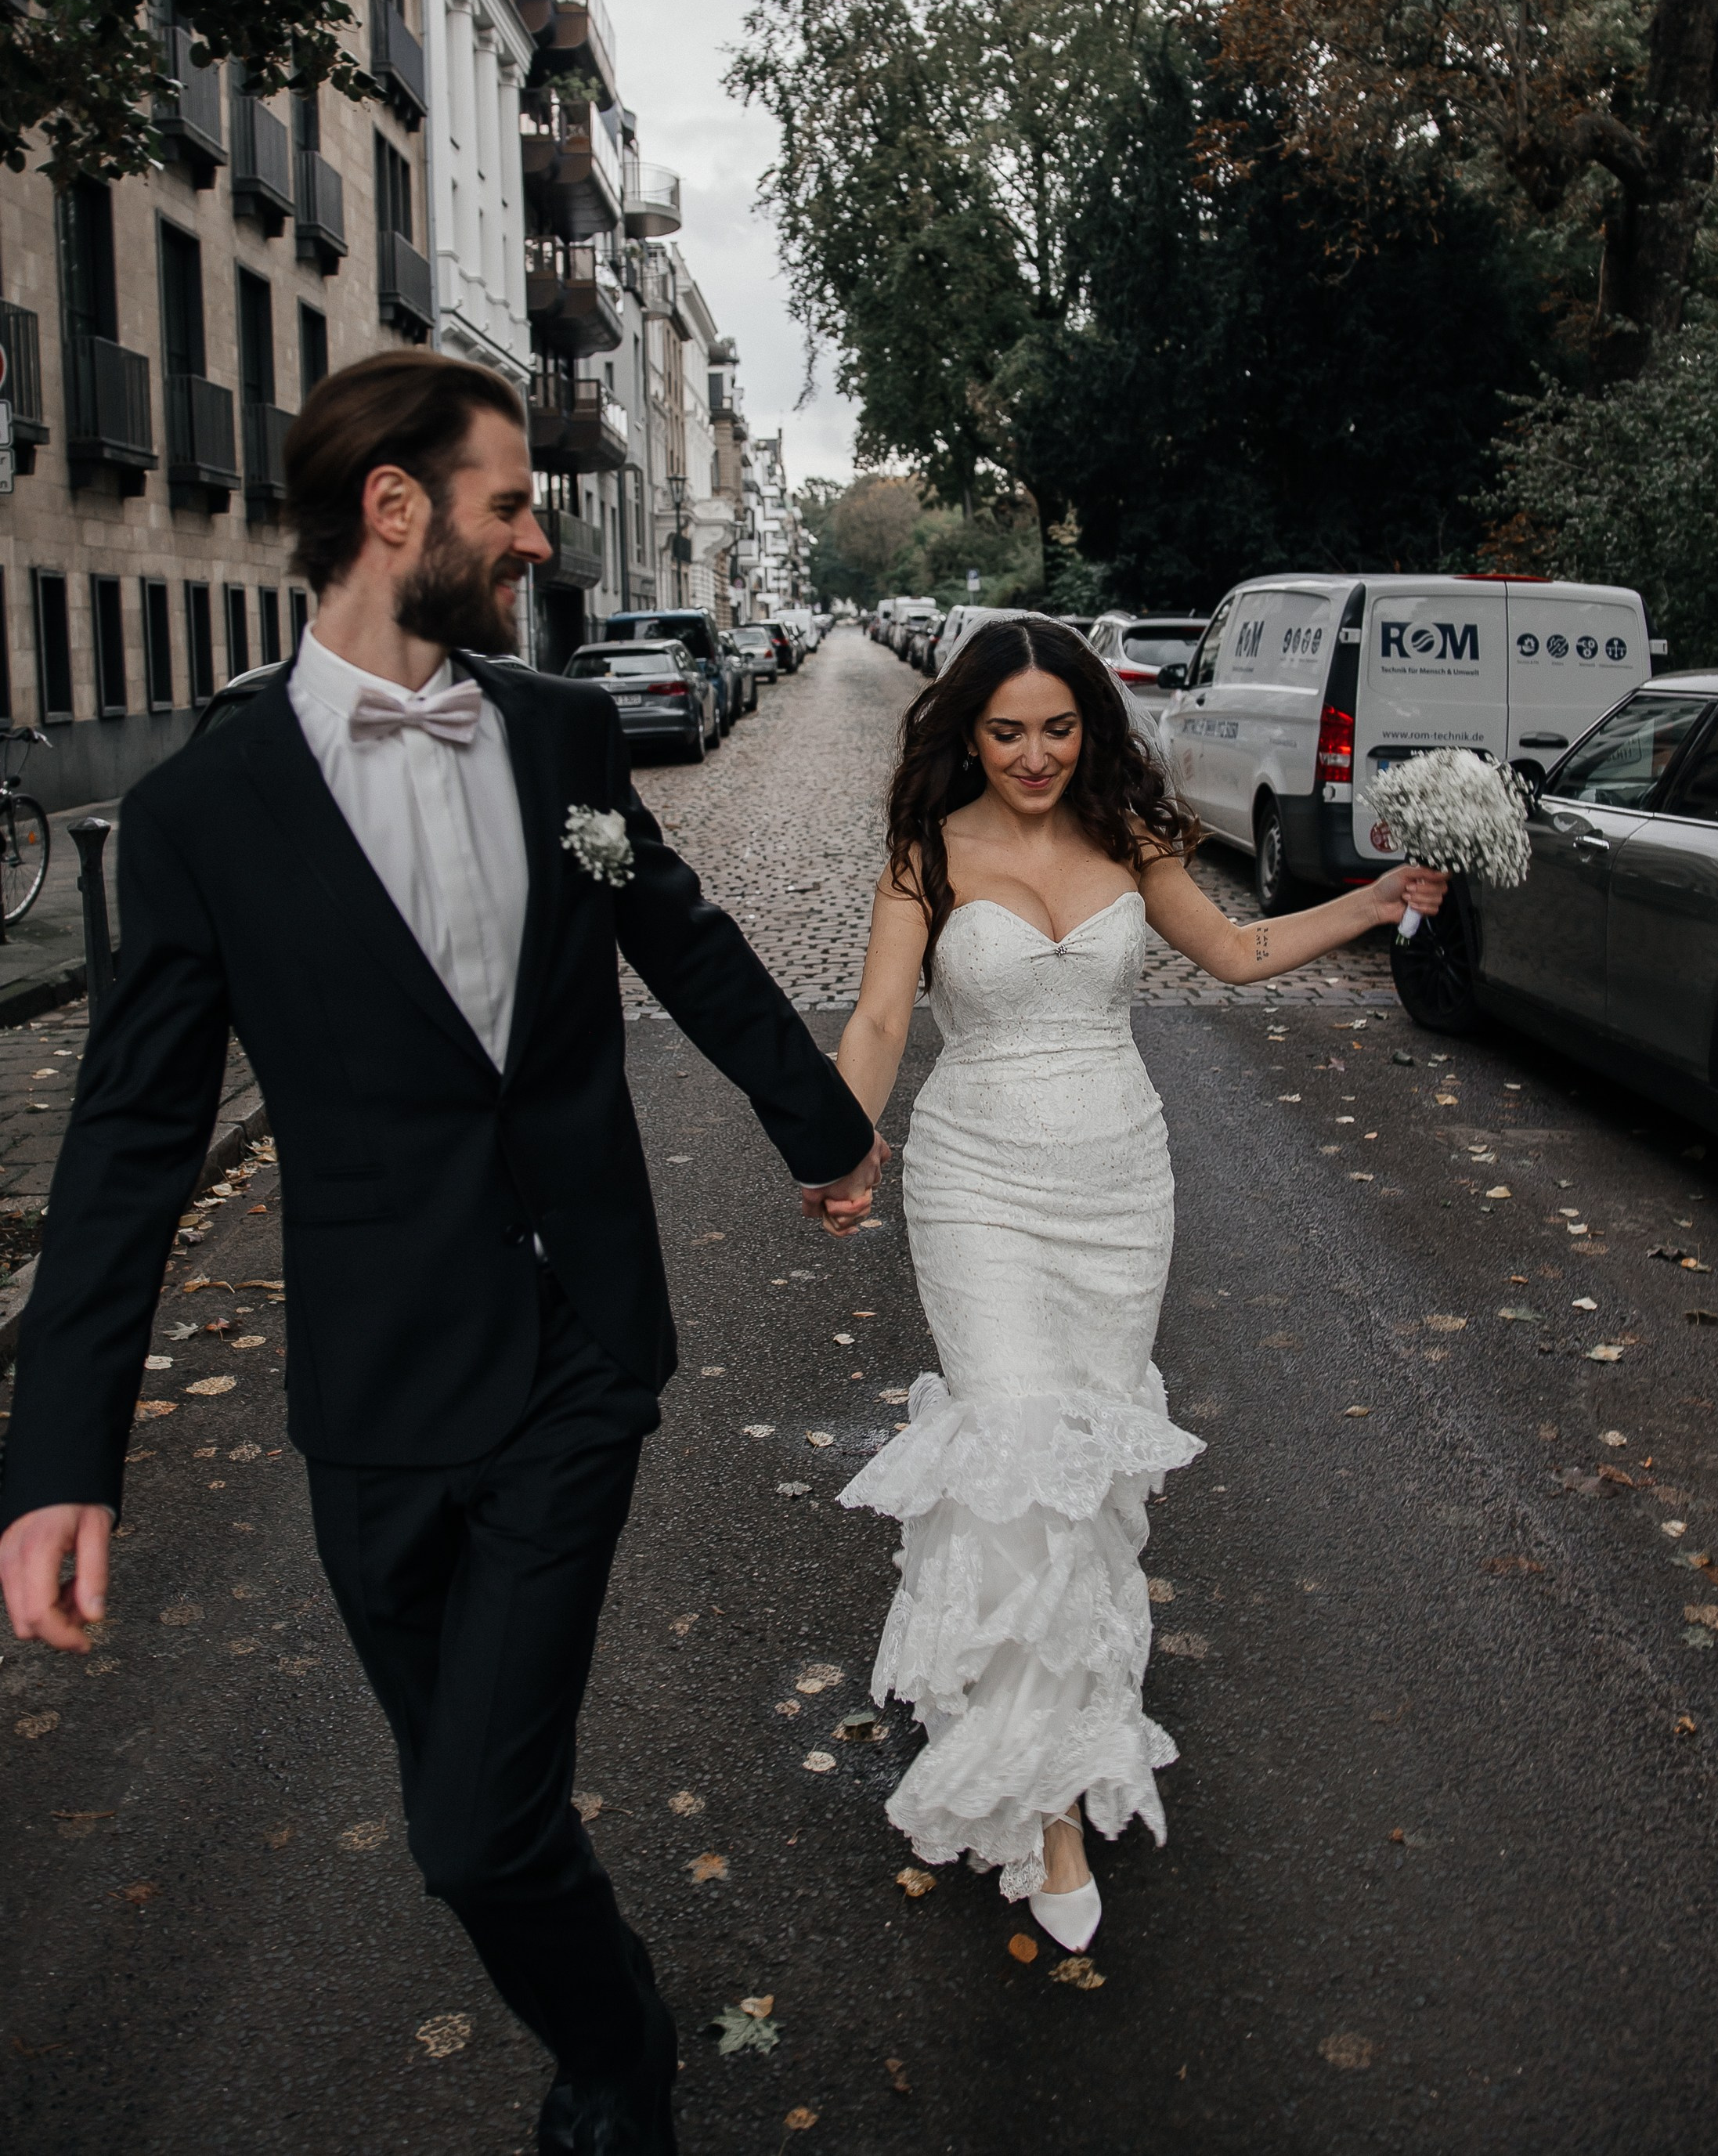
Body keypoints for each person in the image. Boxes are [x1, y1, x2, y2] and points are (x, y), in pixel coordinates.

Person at [0, 351, 884, 2156]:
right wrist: (59, 1456)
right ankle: (603, 2017)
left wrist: (827, 1123)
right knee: (475, 1800)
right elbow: (128, 1147)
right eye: (506, 501)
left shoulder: (559, 732)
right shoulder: (200, 816)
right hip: (377, 1395)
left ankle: (620, 2061)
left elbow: (684, 938)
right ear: (392, 510)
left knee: (471, 1825)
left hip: (575, 1343)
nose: (533, 536)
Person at [825, 617, 1446, 1952]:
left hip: (1120, 1188)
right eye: (1006, 731)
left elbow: (1236, 957)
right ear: (968, 733)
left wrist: (1377, 897)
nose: (1034, 755)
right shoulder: (926, 853)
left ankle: (1064, 1712)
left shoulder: (1130, 842)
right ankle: (1044, 1810)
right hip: (977, 1181)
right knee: (1016, 1454)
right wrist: (836, 1148)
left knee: (1086, 1472)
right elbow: (879, 1018)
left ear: (1089, 730)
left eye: (1058, 729)